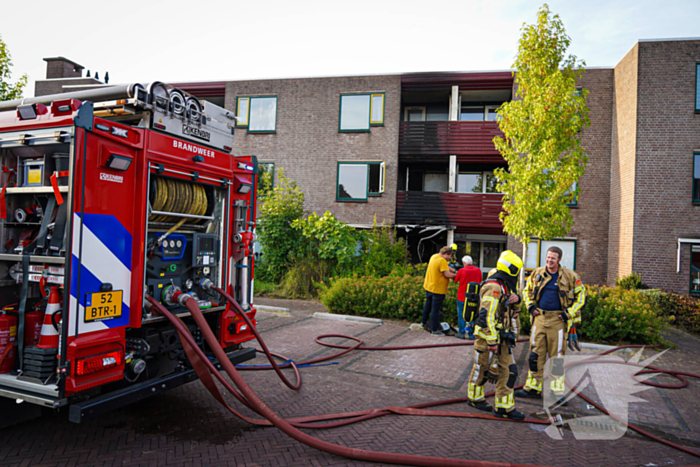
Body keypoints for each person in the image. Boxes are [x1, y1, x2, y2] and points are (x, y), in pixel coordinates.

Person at [515, 246, 586, 405]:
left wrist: (569, 313)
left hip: (558, 321)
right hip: (539, 318)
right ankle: (533, 388)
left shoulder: (570, 276)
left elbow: (582, 297)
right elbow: (527, 291)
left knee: (557, 358)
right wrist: (530, 307)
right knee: (535, 355)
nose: (549, 261)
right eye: (548, 257)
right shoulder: (538, 273)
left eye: (553, 258)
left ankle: (555, 393)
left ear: (559, 260)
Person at [466, 250, 526, 420]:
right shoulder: (493, 286)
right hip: (487, 338)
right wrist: (492, 340)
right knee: (482, 369)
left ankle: (504, 407)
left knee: (510, 371)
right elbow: (486, 315)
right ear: (511, 269)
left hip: (502, 337)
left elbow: (509, 308)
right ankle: (474, 397)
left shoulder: (505, 285)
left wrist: (517, 300)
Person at [421, 246, 457, 336]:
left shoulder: (434, 256)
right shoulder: (442, 260)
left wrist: (454, 270)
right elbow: (447, 274)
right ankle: (434, 329)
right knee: (435, 310)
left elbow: (446, 267)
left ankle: (423, 322)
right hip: (438, 289)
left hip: (429, 286)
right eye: (449, 256)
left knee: (428, 306)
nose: (449, 258)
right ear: (446, 254)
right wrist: (456, 276)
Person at [454, 256, 482, 339]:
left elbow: (455, 280)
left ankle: (461, 333)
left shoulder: (461, 270)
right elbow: (480, 281)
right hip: (474, 297)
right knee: (473, 315)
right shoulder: (478, 270)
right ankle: (471, 334)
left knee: (461, 315)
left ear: (464, 263)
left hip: (462, 296)